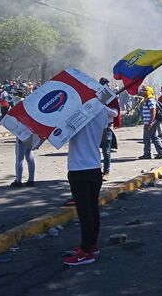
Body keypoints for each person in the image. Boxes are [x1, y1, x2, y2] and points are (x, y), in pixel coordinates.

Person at [63, 101, 117, 266]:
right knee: (92, 209)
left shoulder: (73, 111)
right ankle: (91, 245)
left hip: (78, 168)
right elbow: (108, 125)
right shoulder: (101, 110)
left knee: (84, 212)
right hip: (94, 167)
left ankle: (86, 252)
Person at [98, 77, 120, 181]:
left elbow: (115, 113)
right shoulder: (96, 97)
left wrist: (104, 108)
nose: (104, 86)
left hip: (107, 127)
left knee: (106, 151)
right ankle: (96, 171)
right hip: (96, 128)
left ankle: (106, 172)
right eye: (102, 84)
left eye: (106, 84)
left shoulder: (111, 98)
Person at [138, 85, 162, 159]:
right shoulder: (146, 100)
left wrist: (150, 122)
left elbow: (153, 111)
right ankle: (161, 152)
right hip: (148, 122)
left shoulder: (150, 100)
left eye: (145, 90)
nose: (143, 92)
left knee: (146, 138)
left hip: (150, 122)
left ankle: (147, 154)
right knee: (154, 137)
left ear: (149, 91)